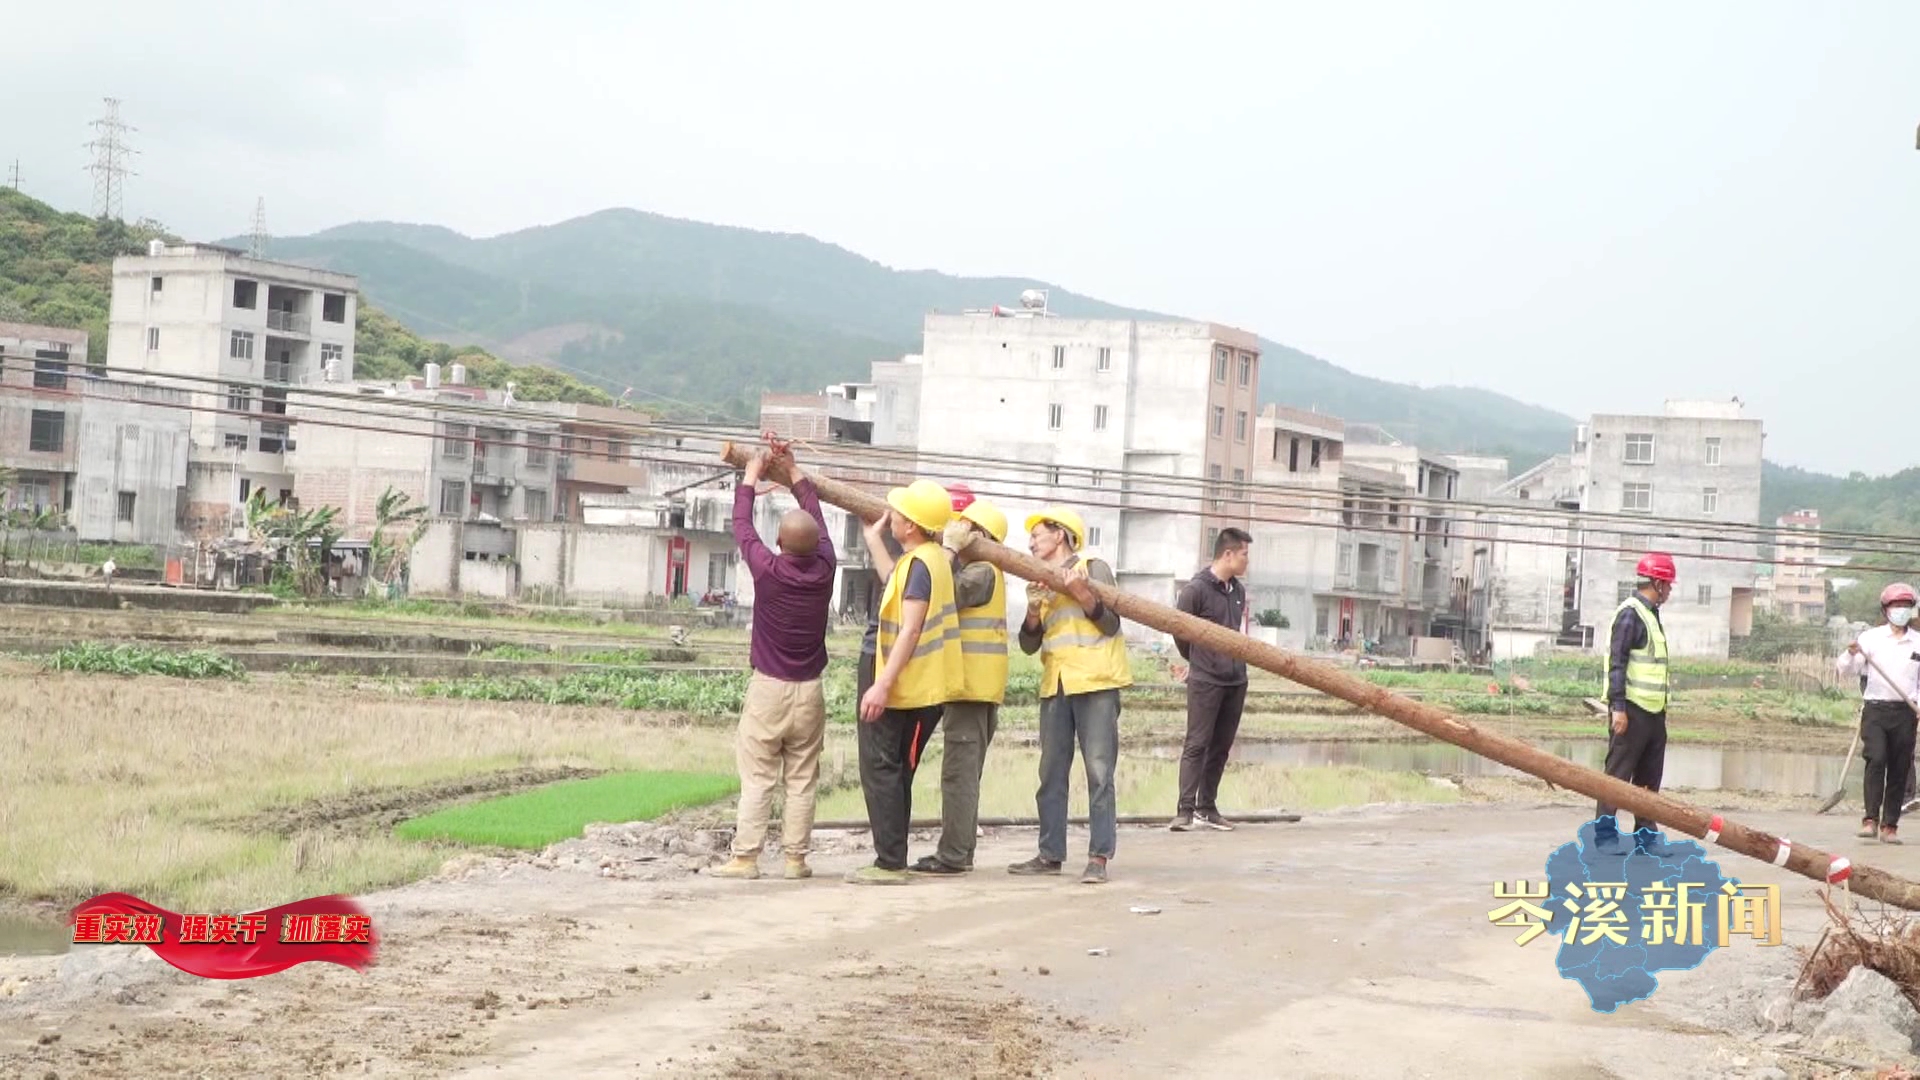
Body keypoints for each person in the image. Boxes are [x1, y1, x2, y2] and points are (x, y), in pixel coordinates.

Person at [709, 451, 836, 882]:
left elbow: (742, 526)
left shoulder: (767, 570)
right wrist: (796, 473)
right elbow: (815, 513)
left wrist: (751, 475)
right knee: (802, 779)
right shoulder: (826, 569)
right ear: (817, 544)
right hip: (810, 692)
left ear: (779, 544)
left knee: (759, 778)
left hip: (769, 690)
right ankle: (795, 860)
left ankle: (746, 859)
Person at [849, 479, 966, 885]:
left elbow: (910, 630)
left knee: (883, 768)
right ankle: (892, 857)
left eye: (897, 513)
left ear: (912, 525)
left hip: (906, 687)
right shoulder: (927, 560)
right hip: (916, 686)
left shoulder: (920, 565)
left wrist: (881, 684)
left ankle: (889, 862)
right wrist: (873, 539)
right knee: (895, 769)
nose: (891, 516)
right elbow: (892, 581)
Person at [1008, 507, 1132, 885]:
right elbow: (1028, 644)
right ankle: (1050, 853)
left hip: (1095, 682)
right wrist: (1032, 611)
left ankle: (1099, 857)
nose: (1031, 542)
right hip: (1057, 682)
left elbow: (1111, 623)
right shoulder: (1039, 581)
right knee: (1051, 773)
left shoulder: (1093, 568)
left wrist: (1082, 595)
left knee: (1098, 772)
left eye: (1038, 534)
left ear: (1059, 535)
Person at [912, 494, 1011, 875]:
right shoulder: (986, 571)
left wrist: (948, 551)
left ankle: (953, 855)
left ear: (981, 535)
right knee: (964, 775)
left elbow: (942, 593)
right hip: (975, 688)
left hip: (971, 689)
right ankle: (960, 851)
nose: (955, 531)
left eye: (964, 527)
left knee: (958, 776)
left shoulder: (982, 571)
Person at [1170, 527, 1252, 832]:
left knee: (1221, 745)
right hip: (1206, 678)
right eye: (1244, 554)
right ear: (1227, 554)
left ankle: (1207, 806)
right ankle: (1185, 809)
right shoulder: (1195, 590)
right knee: (1197, 743)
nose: (1246, 561)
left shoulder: (1239, 592)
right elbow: (1180, 632)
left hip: (1236, 679)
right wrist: (1199, 660)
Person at [1595, 552, 1675, 849]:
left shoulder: (1652, 614)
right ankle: (1604, 836)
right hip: (1631, 711)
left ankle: (1645, 838)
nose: (1669, 591)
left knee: (1648, 781)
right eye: (1667, 585)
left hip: (1654, 713)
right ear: (1656, 582)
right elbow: (1617, 662)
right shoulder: (1631, 613)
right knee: (1616, 777)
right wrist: (1618, 708)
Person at [1838, 583, 1920, 844]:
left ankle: (1890, 826)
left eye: (1906, 607)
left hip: (1906, 712)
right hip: (1875, 709)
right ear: (1886, 610)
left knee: (1899, 767)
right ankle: (1870, 819)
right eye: (1897, 606)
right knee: (1876, 759)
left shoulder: (1917, 641)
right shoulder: (1870, 639)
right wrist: (1851, 654)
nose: (1901, 611)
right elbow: (1846, 669)